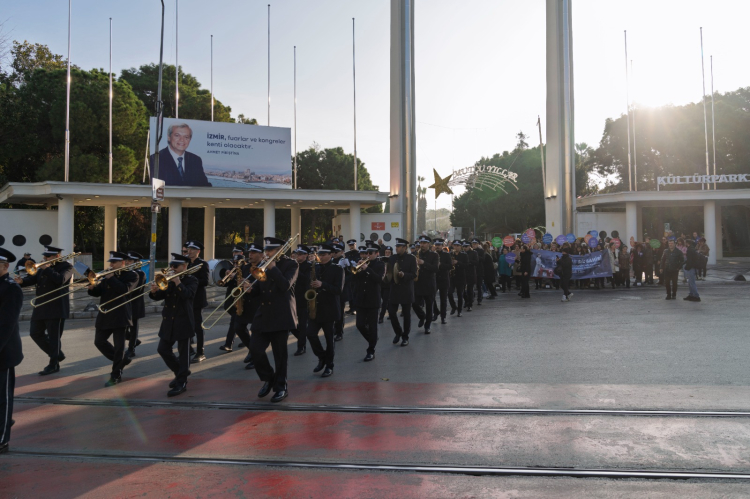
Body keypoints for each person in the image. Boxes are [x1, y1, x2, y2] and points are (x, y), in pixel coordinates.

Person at [250, 237, 299, 403]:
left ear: (280, 250)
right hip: (263, 314)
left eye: (271, 250)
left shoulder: (291, 264)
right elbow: (259, 287)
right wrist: (250, 289)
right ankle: (268, 378)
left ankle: (281, 386)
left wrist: (273, 269)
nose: (267, 253)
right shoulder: (263, 265)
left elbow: (285, 285)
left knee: (280, 355)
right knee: (255, 350)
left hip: (281, 315)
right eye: (266, 250)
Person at [15, 245, 73, 375]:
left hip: (56, 307)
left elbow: (60, 280)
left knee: (54, 338)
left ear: (57, 256)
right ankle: (57, 354)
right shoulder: (42, 268)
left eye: (47, 256)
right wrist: (21, 281)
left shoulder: (67, 267)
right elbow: (32, 279)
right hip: (41, 305)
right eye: (44, 256)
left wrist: (46, 268)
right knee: (34, 333)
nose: (44, 258)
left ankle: (53, 364)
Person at [88, 251, 138, 387]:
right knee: (99, 341)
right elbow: (100, 291)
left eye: (114, 262)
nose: (111, 265)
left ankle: (116, 375)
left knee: (119, 347)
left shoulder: (132, 275)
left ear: (123, 263)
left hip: (121, 315)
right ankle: (122, 360)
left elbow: (124, 290)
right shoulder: (107, 276)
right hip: (105, 313)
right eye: (110, 262)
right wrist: (92, 288)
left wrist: (111, 278)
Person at [150, 254, 198, 397]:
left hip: (184, 321)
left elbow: (188, 295)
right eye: (171, 266)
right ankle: (180, 372)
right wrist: (154, 292)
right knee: (163, 349)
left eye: (175, 266)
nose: (172, 269)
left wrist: (178, 282)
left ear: (184, 266)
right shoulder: (169, 280)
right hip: (168, 321)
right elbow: (160, 296)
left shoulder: (192, 280)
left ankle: (182, 382)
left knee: (184, 355)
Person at [306, 243, 344, 377]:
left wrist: (323, 285)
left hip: (330, 308)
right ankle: (322, 357)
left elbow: (338, 290)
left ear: (331, 255)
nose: (320, 257)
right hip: (315, 308)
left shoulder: (337, 269)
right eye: (319, 254)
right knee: (310, 334)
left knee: (329, 339)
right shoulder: (315, 267)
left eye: (323, 255)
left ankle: (329, 365)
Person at [0, 247, 23, 454]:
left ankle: (2, 439)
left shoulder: (10, 288)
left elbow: (5, 325)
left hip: (3, 354)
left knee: (2, 399)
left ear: (5, 266)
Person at [151, 122, 211, 186]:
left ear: (190, 140)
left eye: (186, 137)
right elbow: (156, 188)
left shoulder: (195, 160)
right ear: (169, 137)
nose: (182, 140)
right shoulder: (156, 159)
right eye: (177, 135)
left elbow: (204, 186)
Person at [354, 242, 386, 360]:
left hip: (373, 300)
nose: (367, 255)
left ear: (377, 253)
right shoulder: (362, 264)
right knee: (360, 325)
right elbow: (354, 278)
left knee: (373, 326)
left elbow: (378, 279)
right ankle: (373, 339)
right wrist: (357, 270)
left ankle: (371, 350)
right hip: (361, 299)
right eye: (366, 253)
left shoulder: (380, 265)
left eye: (370, 253)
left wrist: (367, 269)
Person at [385, 238, 417, 346]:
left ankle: (405, 336)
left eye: (398, 247)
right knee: (391, 312)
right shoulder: (392, 258)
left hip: (406, 290)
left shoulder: (411, 259)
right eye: (396, 246)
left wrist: (404, 275)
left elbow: (414, 274)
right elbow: (389, 273)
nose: (396, 248)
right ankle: (398, 332)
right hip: (394, 289)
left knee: (406, 315)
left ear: (405, 248)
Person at [185, 241, 210, 364]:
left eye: (192, 249)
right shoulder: (187, 263)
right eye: (189, 249)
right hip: (187, 298)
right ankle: (188, 350)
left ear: (198, 251)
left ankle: (201, 352)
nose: (189, 251)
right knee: (186, 325)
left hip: (198, 299)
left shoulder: (202, 264)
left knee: (197, 326)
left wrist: (191, 280)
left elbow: (205, 281)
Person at [219, 246, 247, 352]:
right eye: (233, 252)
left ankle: (228, 344)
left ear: (241, 252)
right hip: (231, 295)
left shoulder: (245, 265)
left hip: (240, 296)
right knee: (229, 310)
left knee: (234, 320)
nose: (234, 254)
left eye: (236, 252)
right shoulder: (231, 265)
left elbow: (244, 278)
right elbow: (226, 284)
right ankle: (246, 337)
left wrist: (235, 276)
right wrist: (226, 277)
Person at [412, 235, 438, 334]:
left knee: (429, 306)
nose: (421, 245)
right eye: (421, 243)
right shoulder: (415, 254)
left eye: (424, 243)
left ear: (428, 244)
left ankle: (427, 326)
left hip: (429, 284)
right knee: (414, 303)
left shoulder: (434, 255)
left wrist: (424, 263)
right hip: (418, 283)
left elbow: (435, 269)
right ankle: (422, 316)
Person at [291, 245, 312, 356]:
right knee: (291, 323)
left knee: (303, 323)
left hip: (303, 297)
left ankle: (301, 346)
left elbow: (307, 280)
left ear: (306, 255)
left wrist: (297, 269)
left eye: (300, 254)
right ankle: (302, 337)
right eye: (296, 254)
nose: (297, 256)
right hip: (292, 297)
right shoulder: (293, 265)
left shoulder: (309, 266)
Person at [124, 251, 146, 358]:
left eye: (130, 261)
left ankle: (131, 349)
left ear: (136, 262)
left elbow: (137, 289)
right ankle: (134, 339)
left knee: (133, 327)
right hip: (125, 303)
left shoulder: (140, 273)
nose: (127, 262)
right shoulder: (126, 272)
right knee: (123, 328)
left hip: (135, 303)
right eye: (127, 260)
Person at [433, 239, 452, 325]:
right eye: (436, 245)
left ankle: (443, 317)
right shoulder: (432, 255)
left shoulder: (446, 255)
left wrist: (441, 265)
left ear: (442, 246)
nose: (437, 246)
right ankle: (436, 312)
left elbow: (450, 266)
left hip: (444, 279)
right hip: (434, 279)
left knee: (443, 299)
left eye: (439, 245)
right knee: (431, 298)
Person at [448, 241, 467, 317]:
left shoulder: (464, 255)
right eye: (455, 245)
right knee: (449, 293)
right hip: (452, 277)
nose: (456, 247)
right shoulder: (450, 254)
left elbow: (466, 265)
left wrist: (458, 262)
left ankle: (459, 310)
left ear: (460, 246)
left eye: (458, 246)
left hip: (460, 277)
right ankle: (453, 307)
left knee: (460, 294)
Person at [378, 246, 393, 324]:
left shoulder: (393, 261)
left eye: (389, 252)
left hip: (388, 284)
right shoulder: (381, 260)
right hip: (381, 284)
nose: (387, 254)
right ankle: (390, 314)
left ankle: (381, 317)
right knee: (384, 301)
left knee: (385, 301)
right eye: (386, 252)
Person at [471, 239, 485, 305]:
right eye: (473, 244)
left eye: (475, 244)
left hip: (479, 270)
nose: (474, 245)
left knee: (479, 285)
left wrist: (476, 256)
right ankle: (471, 298)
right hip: (472, 270)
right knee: (471, 285)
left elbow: (483, 259)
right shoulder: (470, 251)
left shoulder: (481, 251)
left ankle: (479, 299)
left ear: (478, 244)